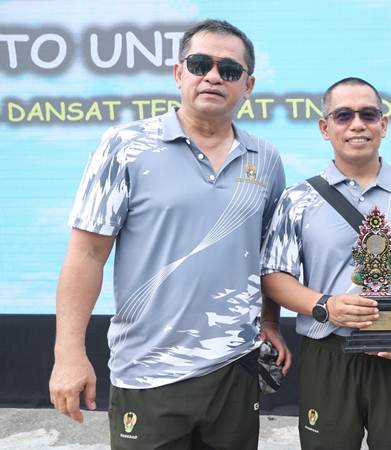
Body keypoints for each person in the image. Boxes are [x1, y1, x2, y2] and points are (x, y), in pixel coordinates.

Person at [49, 19, 291, 449]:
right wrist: (68, 353)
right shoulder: (124, 145)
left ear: (247, 84)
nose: (214, 76)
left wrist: (270, 321)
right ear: (179, 74)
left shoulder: (266, 159)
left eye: (229, 70)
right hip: (147, 372)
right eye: (201, 64)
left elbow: (266, 254)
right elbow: (86, 255)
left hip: (235, 370)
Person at [260, 77, 391, 450]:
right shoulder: (298, 198)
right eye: (344, 115)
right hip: (327, 352)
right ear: (325, 127)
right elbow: (274, 276)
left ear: (384, 123)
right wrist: (325, 306)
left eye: (368, 114)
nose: (357, 124)